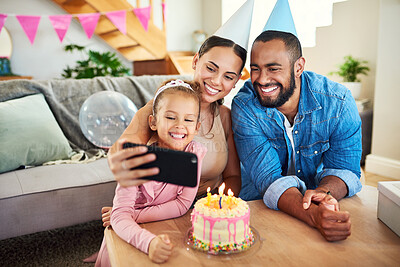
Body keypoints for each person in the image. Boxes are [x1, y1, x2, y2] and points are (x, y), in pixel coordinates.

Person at [231, 30, 362, 242]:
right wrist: (312, 215)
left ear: (298, 67)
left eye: (273, 68)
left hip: (316, 193)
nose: (262, 80)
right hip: (260, 204)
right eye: (256, 69)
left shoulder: (338, 102)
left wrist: (324, 193)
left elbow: (344, 168)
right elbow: (269, 179)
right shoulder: (246, 106)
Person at [95, 79, 207, 266]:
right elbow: (121, 217)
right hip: (130, 231)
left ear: (196, 127)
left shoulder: (194, 154)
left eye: (188, 119)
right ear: (153, 122)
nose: (180, 125)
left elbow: (183, 204)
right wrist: (148, 241)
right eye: (171, 117)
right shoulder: (135, 159)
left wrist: (136, 215)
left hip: (166, 225)